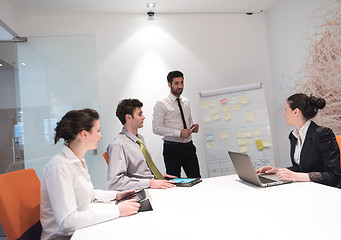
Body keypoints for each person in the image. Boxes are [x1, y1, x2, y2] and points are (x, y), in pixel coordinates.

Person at [40, 109, 140, 240]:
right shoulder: (59, 166)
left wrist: (117, 195)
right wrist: (117, 211)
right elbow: (66, 222)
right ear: (84, 134)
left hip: (79, 230)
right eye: (98, 131)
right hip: (63, 237)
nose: (100, 135)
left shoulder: (78, 161)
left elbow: (89, 194)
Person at [257, 93, 341, 187]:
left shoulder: (323, 134)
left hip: (326, 191)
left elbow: (334, 175)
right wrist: (277, 170)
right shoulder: (293, 136)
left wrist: (295, 176)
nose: (284, 115)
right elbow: (301, 168)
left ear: (296, 112)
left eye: (286, 110)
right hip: (308, 188)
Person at [106, 99, 176, 191]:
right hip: (141, 193)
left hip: (149, 186)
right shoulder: (118, 145)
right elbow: (115, 183)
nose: (143, 117)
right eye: (139, 114)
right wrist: (149, 183)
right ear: (128, 117)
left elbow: (139, 173)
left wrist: (156, 177)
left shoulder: (140, 139)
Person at [152, 70, 201, 178]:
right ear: (169, 84)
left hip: (189, 147)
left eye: (182, 82)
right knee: (174, 182)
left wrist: (193, 127)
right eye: (176, 83)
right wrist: (179, 133)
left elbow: (189, 121)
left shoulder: (186, 102)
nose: (180, 86)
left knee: (196, 179)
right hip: (172, 149)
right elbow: (156, 128)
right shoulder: (161, 104)